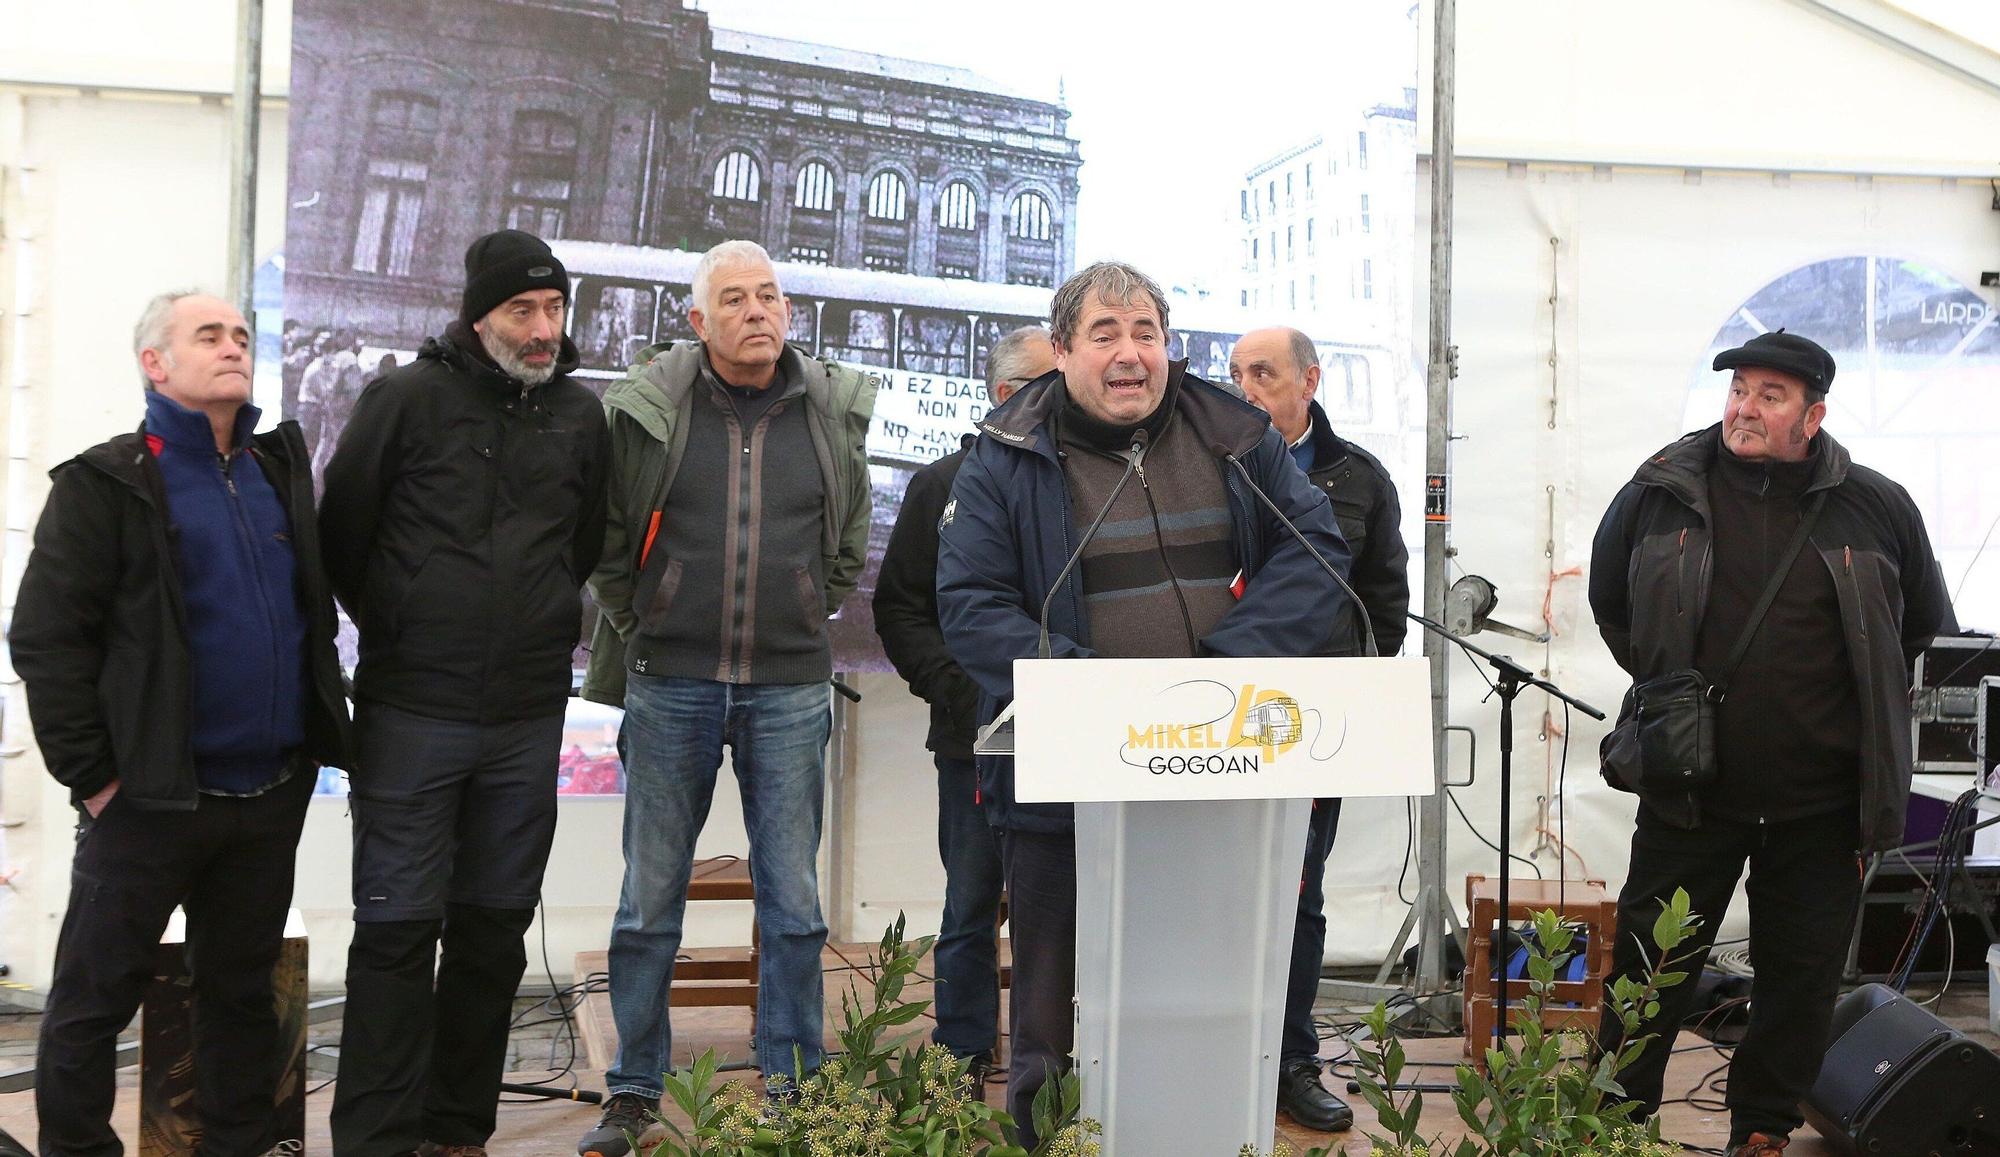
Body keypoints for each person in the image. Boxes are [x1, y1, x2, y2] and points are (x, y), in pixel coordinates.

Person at [935, 262, 1353, 1147]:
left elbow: (1314, 549)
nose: (1130, 355)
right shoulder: (1004, 455)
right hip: (1061, 784)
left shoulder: (1236, 436)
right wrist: (1093, 689)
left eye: (1146, 333)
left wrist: (1219, 673)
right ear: (1061, 352)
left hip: (1222, 774)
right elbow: (970, 603)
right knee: (1051, 1015)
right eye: (1105, 334)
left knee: (1208, 999)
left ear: (1169, 344)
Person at [1588, 330, 1951, 1157]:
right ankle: (1612, 1123)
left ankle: (1762, 1127)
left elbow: (1919, 622)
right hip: (1691, 789)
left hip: (1823, 802)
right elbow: (1614, 600)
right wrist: (1671, 687)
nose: (1746, 408)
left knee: (1799, 980)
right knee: (1652, 965)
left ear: (1813, 415)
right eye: (1739, 389)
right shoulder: (1661, 492)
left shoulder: (1877, 504)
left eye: (1770, 395)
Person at [13, 290, 350, 1157]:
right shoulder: (104, 483)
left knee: (239, 998)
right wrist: (95, 777)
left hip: (267, 796)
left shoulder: (277, 471)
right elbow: (45, 639)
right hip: (148, 800)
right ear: (154, 363)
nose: (234, 345)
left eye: (241, 333)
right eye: (209, 334)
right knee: (93, 1000)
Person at [577, 240, 877, 1157]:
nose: (758, 311)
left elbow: (849, 531)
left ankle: (793, 1079)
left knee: (794, 902)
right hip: (669, 682)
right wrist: (645, 621)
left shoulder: (825, 408)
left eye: (770, 296)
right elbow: (607, 534)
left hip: (789, 687)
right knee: (648, 900)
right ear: (700, 322)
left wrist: (809, 603)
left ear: (788, 313)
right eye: (735, 299)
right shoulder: (650, 410)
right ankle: (633, 1088)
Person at [320, 229, 610, 1157]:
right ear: (479, 314)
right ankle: (374, 1137)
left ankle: (456, 1132)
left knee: (492, 934)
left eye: (554, 310)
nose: (541, 329)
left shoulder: (579, 416)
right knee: (397, 932)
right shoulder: (403, 399)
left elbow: (585, 545)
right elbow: (343, 537)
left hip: (526, 717)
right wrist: (408, 622)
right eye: (523, 310)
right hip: (412, 712)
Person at [1229, 326, 1408, 1134]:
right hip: (1208, 719)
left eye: (1262, 373)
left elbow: (1385, 603)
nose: (1245, 388)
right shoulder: (1204, 463)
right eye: (1234, 374)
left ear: (1310, 380)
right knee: (1211, 886)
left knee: (1298, 890)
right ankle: (1217, 1048)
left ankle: (1292, 1060)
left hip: (1311, 722)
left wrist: (1352, 699)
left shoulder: (1358, 478)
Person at [873, 326, 1057, 1084]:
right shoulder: (941, 485)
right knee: (972, 897)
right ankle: (962, 1053)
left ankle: (1056, 1052)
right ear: (1010, 396)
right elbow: (900, 609)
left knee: (1060, 900)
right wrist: (960, 689)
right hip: (975, 735)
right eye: (1053, 383)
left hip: (1073, 732)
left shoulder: (1082, 485)